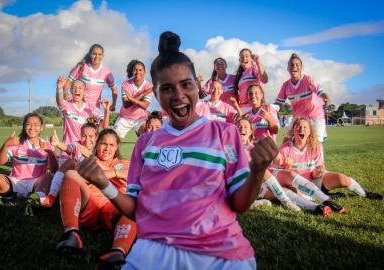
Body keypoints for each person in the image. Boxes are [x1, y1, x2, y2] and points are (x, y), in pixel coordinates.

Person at [76, 31, 278, 270]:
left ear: (197, 85)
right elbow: (136, 210)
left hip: (220, 255)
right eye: (168, 88)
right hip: (152, 251)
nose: (179, 95)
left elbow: (240, 204)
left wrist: (256, 171)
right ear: (156, 94)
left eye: (186, 84)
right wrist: (103, 183)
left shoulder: (225, 133)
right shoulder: (145, 143)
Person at [56, 129, 136, 268]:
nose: (107, 148)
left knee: (133, 204)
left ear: (117, 147)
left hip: (113, 208)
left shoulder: (125, 163)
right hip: (90, 203)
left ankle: (117, 251)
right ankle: (71, 233)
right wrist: (116, 174)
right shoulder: (88, 161)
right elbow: (78, 176)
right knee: (70, 174)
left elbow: (133, 177)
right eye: (103, 143)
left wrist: (102, 172)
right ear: (97, 144)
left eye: (111, 145)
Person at [275, 117, 383, 206]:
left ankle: (365, 194)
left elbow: (316, 173)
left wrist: (318, 172)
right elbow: (282, 178)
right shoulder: (284, 149)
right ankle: (324, 196)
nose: (301, 129)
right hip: (298, 186)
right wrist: (287, 168)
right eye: (298, 126)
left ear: (309, 131)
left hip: (316, 181)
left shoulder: (316, 146)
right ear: (293, 130)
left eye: (305, 127)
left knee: (343, 179)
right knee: (292, 192)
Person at [236, 117, 332, 216]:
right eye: (239, 126)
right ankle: (305, 205)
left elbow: (275, 163)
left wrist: (275, 156)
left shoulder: (256, 146)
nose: (242, 128)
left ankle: (322, 203)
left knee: (289, 174)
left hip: (267, 178)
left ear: (251, 131)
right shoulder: (231, 148)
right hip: (248, 185)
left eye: (245, 127)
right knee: (283, 190)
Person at [0, 113, 58, 217]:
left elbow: (54, 170)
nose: (32, 128)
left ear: (41, 128)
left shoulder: (46, 144)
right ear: (24, 126)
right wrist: (6, 145)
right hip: (15, 182)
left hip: (36, 184)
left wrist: (49, 151)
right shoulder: (16, 142)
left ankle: (34, 202)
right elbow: (0, 161)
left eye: (36, 125)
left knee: (49, 177)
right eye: (28, 124)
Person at [274, 53, 330, 142]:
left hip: (315, 117)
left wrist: (325, 97)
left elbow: (319, 90)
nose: (294, 67)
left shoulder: (307, 80)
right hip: (298, 118)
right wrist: (272, 109)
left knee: (315, 144)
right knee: (287, 140)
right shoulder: (286, 85)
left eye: (297, 65)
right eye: (291, 65)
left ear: (301, 67)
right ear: (288, 68)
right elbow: (279, 103)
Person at [42, 122, 99, 207]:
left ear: (96, 137)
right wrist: (58, 143)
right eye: (84, 136)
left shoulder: (99, 147)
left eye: (91, 136)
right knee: (70, 162)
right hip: (76, 177)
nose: (87, 140)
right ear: (80, 135)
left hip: (93, 179)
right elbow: (67, 148)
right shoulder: (77, 144)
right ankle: (52, 195)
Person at [56, 76, 109, 163]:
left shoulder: (91, 108)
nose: (77, 90)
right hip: (67, 151)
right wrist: (59, 89)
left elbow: (105, 126)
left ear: (84, 92)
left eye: (80, 88)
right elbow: (60, 103)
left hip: (85, 153)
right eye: (74, 88)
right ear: (71, 91)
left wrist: (107, 111)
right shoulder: (67, 105)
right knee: (64, 175)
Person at [64, 44, 117, 110]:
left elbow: (114, 89)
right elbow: (68, 82)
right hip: (77, 107)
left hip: (94, 110)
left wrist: (113, 104)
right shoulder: (82, 67)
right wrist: (66, 94)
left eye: (99, 54)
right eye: (94, 54)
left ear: (103, 56)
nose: (97, 56)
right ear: (90, 54)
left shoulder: (107, 72)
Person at [113, 60, 154, 139]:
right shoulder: (126, 84)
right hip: (124, 118)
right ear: (132, 71)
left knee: (147, 138)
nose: (137, 72)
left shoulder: (148, 86)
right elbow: (126, 105)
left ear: (144, 72)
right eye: (135, 70)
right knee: (113, 140)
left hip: (140, 119)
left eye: (140, 70)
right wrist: (142, 94)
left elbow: (144, 106)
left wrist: (131, 99)